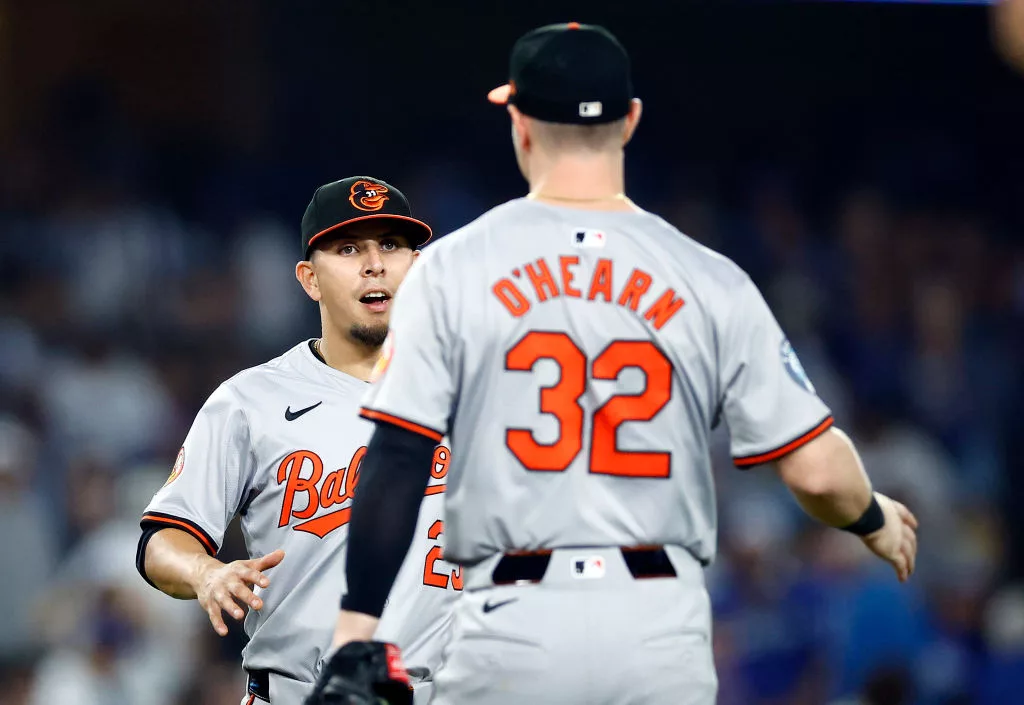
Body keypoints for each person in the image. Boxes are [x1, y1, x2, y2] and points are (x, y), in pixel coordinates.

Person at [305, 23, 919, 705]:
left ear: (520, 123)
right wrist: (875, 518)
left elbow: (398, 454)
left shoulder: (452, 268)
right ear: (629, 121)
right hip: (658, 627)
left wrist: (355, 630)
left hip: (513, 623)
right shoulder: (707, 276)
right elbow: (814, 467)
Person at [136, 176, 461, 705]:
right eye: (349, 248)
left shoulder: (476, 395)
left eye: (392, 245)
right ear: (309, 279)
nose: (374, 263)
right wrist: (205, 573)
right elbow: (161, 540)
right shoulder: (253, 399)